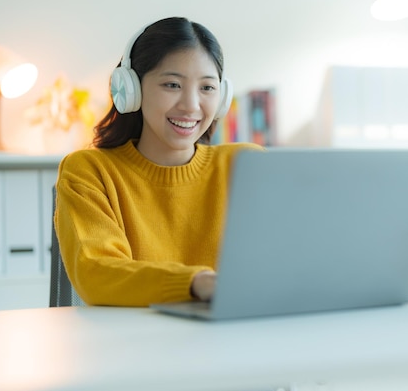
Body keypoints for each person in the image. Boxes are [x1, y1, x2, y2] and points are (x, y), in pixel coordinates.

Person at [54, 17, 263, 307]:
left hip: (237, 338)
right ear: (131, 90)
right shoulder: (90, 171)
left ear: (222, 97)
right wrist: (195, 283)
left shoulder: (247, 165)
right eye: (172, 84)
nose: (191, 105)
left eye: (207, 88)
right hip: (133, 344)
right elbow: (96, 271)